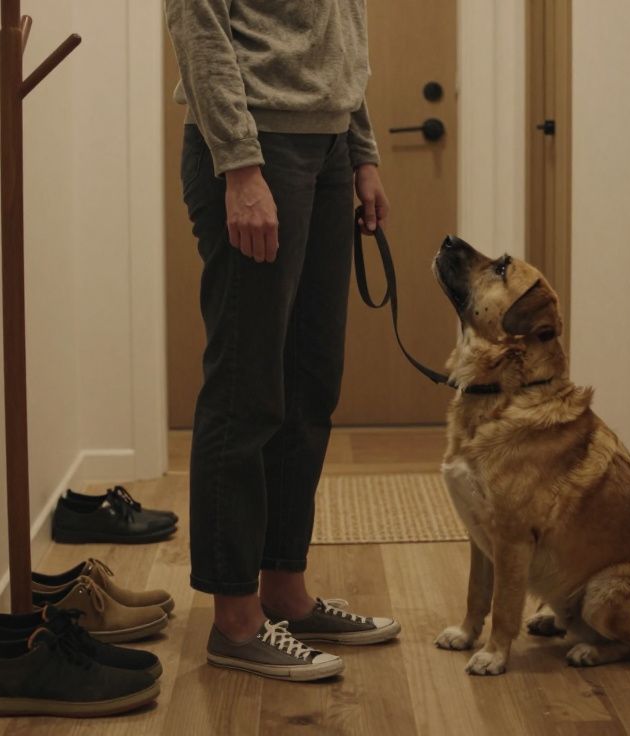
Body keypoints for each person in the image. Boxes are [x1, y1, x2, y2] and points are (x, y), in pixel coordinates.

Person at [165, 0, 400, 680]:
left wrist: (361, 151)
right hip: (257, 149)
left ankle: (284, 591)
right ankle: (236, 621)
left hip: (328, 150)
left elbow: (340, 33)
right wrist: (240, 165)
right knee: (247, 386)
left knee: (310, 382)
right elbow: (198, 23)